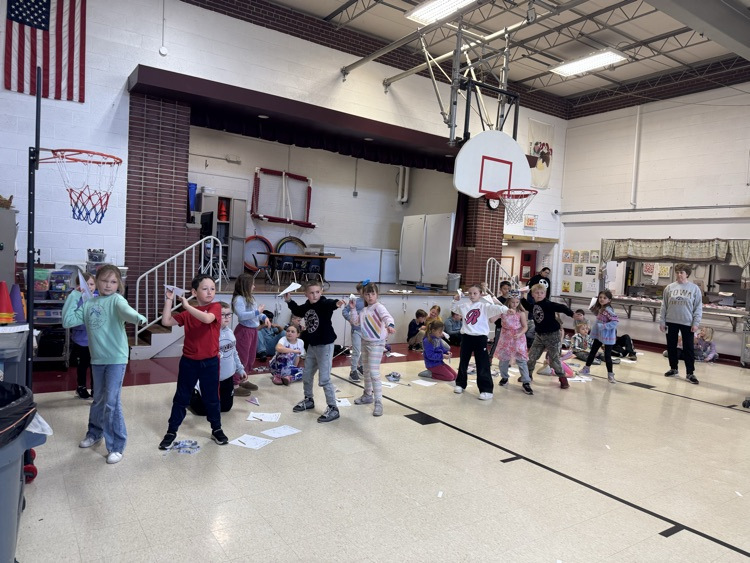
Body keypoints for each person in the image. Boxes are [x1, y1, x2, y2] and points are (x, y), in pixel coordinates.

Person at [62, 265, 147, 464]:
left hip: (116, 358)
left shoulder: (117, 300)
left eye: (113, 282)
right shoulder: (88, 303)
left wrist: (138, 318)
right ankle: (94, 433)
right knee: (98, 399)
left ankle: (116, 445)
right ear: (96, 282)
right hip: (97, 359)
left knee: (112, 402)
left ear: (119, 285)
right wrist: (75, 295)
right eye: (104, 281)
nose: (108, 285)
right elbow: (67, 321)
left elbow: (125, 311)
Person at [158, 274, 227, 449]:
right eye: (205, 289)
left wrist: (187, 306)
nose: (210, 292)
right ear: (194, 292)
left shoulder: (215, 307)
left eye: (212, 289)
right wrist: (169, 300)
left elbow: (207, 319)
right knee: (181, 397)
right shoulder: (188, 314)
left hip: (210, 362)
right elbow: (166, 321)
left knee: (212, 397)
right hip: (189, 362)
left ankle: (216, 428)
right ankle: (171, 431)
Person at [284, 281, 345, 423]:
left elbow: (330, 304)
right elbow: (298, 310)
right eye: (311, 293)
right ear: (306, 294)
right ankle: (309, 399)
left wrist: (337, 303)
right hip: (312, 346)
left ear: (321, 292)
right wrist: (289, 301)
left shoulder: (323, 303)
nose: (315, 295)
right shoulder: (307, 306)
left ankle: (333, 408)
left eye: (317, 292)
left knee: (324, 379)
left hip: (325, 346)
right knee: (307, 374)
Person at [452, 284, 508, 400]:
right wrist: (455, 300)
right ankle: (460, 384)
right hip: (466, 337)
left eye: (475, 293)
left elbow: (498, 308)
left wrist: (507, 310)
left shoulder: (484, 306)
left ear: (480, 294)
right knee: (463, 362)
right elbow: (454, 309)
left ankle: (486, 389)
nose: (472, 295)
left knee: (482, 363)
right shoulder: (464, 306)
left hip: (480, 338)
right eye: (470, 293)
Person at [348, 282, 396, 416]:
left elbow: (387, 317)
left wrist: (390, 325)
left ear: (377, 295)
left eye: (372, 294)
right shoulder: (364, 310)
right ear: (363, 295)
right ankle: (367, 395)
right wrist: (352, 309)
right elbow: (355, 322)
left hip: (377, 344)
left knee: (374, 373)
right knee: (366, 371)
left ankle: (378, 402)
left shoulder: (379, 307)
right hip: (365, 342)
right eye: (367, 294)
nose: (370, 297)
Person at [190, 302, 244, 415]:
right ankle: (190, 395)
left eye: (229, 314)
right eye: (223, 314)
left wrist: (240, 369)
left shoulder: (230, 333)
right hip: (212, 378)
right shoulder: (208, 333)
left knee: (226, 407)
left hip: (227, 377)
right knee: (203, 411)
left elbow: (234, 353)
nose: (227, 317)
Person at [525, 283, 574, 389]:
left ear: (545, 294)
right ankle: (527, 375)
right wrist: (520, 297)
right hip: (539, 336)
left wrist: (572, 314)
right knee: (532, 356)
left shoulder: (548, 304)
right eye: (536, 293)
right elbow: (528, 307)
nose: (539, 295)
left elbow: (561, 307)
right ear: (532, 294)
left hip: (552, 336)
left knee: (554, 359)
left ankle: (562, 378)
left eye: (541, 293)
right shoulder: (534, 305)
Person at [659, 263, 702, 384]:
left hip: (687, 322)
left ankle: (690, 373)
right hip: (671, 321)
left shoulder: (694, 289)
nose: (679, 275)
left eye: (681, 272)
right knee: (671, 346)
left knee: (688, 348)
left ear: (687, 274)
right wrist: (662, 321)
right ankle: (673, 368)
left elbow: (698, 307)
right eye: (677, 272)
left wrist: (696, 322)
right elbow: (664, 305)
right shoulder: (669, 288)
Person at [232, 273, 270, 393]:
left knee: (250, 357)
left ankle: (243, 379)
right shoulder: (239, 299)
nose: (254, 286)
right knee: (242, 357)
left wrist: (264, 317)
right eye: (252, 284)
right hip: (244, 331)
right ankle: (234, 384)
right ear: (246, 285)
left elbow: (256, 313)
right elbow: (242, 316)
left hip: (253, 331)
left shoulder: (250, 298)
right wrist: (257, 312)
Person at [495, 291, 533, 395]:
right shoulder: (503, 311)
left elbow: (525, 327)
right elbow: (491, 320)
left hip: (518, 338)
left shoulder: (521, 313)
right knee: (503, 360)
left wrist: (520, 334)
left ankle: (526, 382)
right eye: (512, 302)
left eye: (517, 302)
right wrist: (499, 310)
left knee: (521, 360)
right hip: (505, 337)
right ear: (508, 301)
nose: (515, 304)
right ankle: (504, 377)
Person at [66, 273, 97, 400]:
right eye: (85, 284)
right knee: (82, 365)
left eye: (92, 284)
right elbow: (72, 319)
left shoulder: (98, 299)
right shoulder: (75, 299)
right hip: (81, 341)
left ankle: (96, 388)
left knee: (95, 366)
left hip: (95, 341)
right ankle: (81, 387)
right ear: (78, 286)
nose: (89, 287)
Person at [578, 290, 619, 383]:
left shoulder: (608, 310)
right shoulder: (602, 308)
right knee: (593, 351)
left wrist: (603, 326)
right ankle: (586, 368)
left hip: (607, 335)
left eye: (604, 298)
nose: (602, 299)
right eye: (600, 297)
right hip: (599, 335)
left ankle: (610, 375)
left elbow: (615, 321)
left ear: (609, 300)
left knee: (607, 356)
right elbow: (599, 316)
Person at [341, 282, 364, 382]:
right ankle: (353, 371)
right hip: (356, 330)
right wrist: (350, 319)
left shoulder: (370, 302)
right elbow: (344, 311)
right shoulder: (355, 301)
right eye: (362, 290)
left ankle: (361, 366)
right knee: (356, 351)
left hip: (367, 331)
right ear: (359, 291)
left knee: (365, 350)